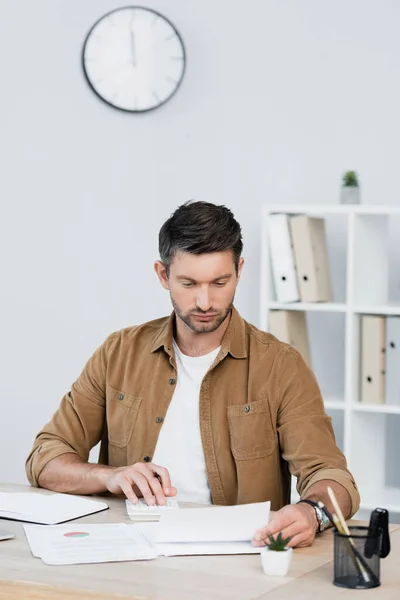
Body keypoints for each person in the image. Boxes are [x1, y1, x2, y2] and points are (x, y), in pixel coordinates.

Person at [26, 201, 359, 548]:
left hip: (240, 556)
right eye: (188, 283)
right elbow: (45, 459)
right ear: (162, 275)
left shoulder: (281, 366)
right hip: (130, 551)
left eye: (220, 282)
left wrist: (311, 512)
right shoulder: (119, 353)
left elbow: (332, 476)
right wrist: (110, 477)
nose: (204, 302)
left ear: (239, 270)